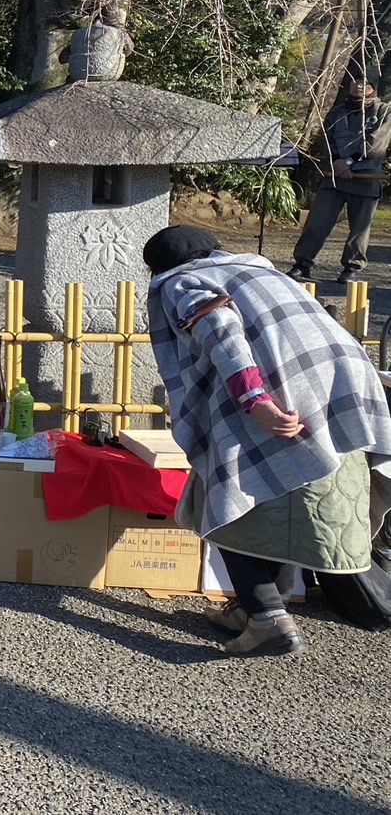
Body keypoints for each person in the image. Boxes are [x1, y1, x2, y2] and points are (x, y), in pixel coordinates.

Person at [144, 225, 391, 655]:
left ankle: (266, 618)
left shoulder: (182, 281)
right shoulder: (261, 270)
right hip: (342, 386)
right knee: (284, 488)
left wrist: (255, 399)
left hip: (276, 392)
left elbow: (219, 330)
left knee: (225, 495)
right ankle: (252, 606)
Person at [288, 76, 391, 283]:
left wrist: (350, 162)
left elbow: (377, 143)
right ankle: (303, 264)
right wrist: (337, 162)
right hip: (334, 176)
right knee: (316, 222)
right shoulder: (337, 112)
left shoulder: (384, 112)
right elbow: (326, 139)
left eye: (365, 83)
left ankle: (352, 268)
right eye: (355, 82)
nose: (359, 86)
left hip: (365, 178)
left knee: (359, 229)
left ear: (374, 88)